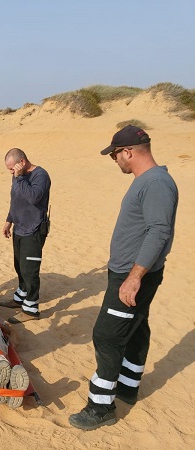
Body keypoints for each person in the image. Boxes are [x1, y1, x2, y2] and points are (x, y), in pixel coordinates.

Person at [69, 125, 178, 431]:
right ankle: (128, 386)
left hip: (133, 275)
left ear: (128, 152)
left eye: (115, 154)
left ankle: (101, 407)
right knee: (136, 326)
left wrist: (134, 277)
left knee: (107, 335)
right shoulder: (149, 180)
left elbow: (159, 231)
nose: (114, 160)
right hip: (132, 272)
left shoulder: (156, 183)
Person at [0, 148, 51, 323]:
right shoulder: (17, 176)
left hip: (33, 229)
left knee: (30, 270)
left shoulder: (40, 175)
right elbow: (16, 199)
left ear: (22, 162)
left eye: (12, 168)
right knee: (19, 265)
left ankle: (30, 309)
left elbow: (33, 198)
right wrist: (9, 220)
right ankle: (20, 297)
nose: (12, 172)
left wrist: (20, 177)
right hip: (19, 228)